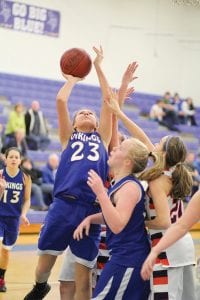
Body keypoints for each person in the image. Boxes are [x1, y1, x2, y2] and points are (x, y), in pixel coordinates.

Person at [24, 46, 113, 300]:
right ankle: (41, 286)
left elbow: (108, 100)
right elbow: (62, 101)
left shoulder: (103, 138)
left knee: (83, 279)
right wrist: (72, 79)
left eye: (91, 113)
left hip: (91, 209)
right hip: (63, 206)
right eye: (81, 112)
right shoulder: (68, 138)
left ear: (97, 123)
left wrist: (97, 66)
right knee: (44, 265)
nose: (86, 112)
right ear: (73, 123)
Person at [58, 62, 137, 300]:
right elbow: (111, 112)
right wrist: (121, 88)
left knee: (91, 286)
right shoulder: (99, 152)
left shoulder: (118, 167)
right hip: (80, 219)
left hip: (102, 229)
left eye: (120, 143)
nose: (117, 144)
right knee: (66, 283)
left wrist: (119, 92)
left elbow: (111, 114)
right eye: (117, 141)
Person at [106, 90, 196, 300]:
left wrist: (139, 222)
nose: (153, 144)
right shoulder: (171, 171)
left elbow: (164, 221)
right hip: (182, 247)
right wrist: (118, 112)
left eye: (158, 143)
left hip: (168, 249)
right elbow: (141, 136)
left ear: (163, 153)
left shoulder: (158, 180)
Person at [73, 135, 151, 299]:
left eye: (121, 148)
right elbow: (113, 213)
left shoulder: (129, 187)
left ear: (127, 161)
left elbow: (117, 224)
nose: (114, 148)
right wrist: (91, 219)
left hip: (129, 260)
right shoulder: (121, 183)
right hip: (123, 258)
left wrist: (101, 193)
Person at [141, 190, 200, 281]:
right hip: (180, 247)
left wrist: (140, 223)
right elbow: (181, 226)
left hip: (170, 250)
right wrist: (155, 251)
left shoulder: (156, 184)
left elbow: (167, 223)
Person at [0, 147, 31, 292]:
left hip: (13, 220)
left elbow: (27, 200)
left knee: (6, 251)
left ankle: (1, 279)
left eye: (16, 157)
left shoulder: (25, 178)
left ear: (20, 160)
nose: (13, 159)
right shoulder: (0, 175)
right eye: (10, 157)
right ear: (5, 159)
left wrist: (23, 214)